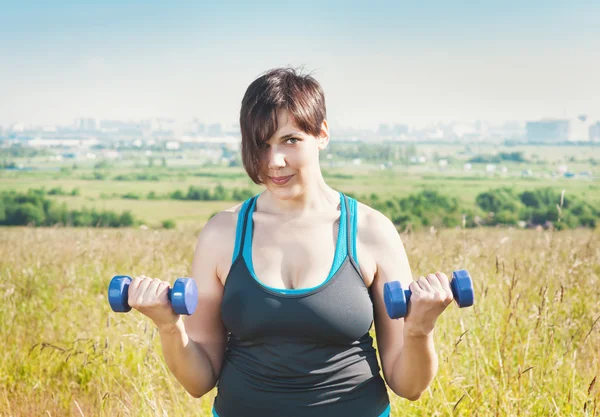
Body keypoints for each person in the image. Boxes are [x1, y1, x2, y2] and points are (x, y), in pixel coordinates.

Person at [127, 67, 456, 417]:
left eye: (290, 140)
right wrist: (168, 325)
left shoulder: (371, 232)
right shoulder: (222, 234)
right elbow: (199, 381)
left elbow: (410, 386)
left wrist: (419, 329)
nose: (274, 161)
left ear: (322, 134)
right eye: (261, 145)